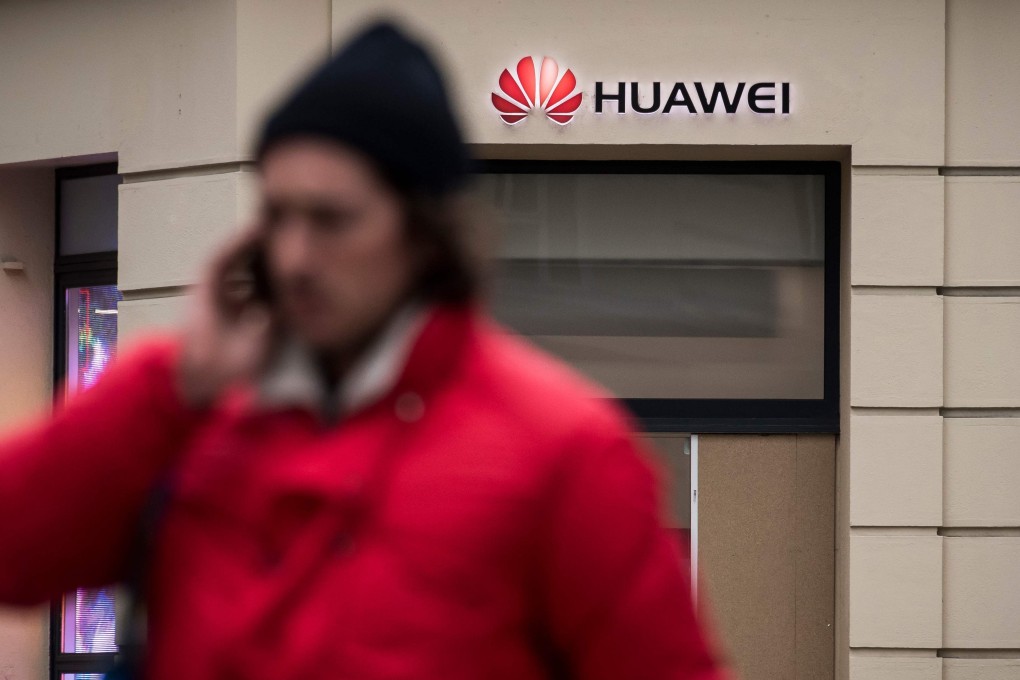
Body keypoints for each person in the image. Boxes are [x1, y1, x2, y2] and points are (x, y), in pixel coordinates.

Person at [0, 21, 728, 680]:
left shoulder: (563, 451)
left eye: (331, 219)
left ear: (423, 232)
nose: (294, 256)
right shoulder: (191, 416)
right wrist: (175, 382)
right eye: (277, 215)